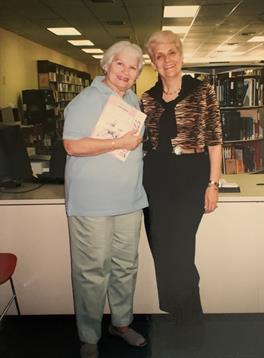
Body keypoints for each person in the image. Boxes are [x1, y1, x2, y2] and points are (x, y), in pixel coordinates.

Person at [63, 41, 148, 358]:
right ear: (107, 65)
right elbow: (72, 146)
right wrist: (119, 141)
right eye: (121, 64)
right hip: (93, 202)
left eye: (134, 67)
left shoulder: (132, 99)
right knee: (91, 271)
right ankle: (89, 335)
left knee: (126, 267)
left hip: (129, 201)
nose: (127, 72)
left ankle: (122, 323)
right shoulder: (86, 101)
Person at [141, 31, 223, 328]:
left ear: (181, 55)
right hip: (155, 178)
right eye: (159, 56)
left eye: (171, 52)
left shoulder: (202, 91)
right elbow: (141, 144)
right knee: (161, 248)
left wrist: (213, 184)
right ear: (153, 62)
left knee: (181, 249)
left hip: (191, 176)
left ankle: (190, 321)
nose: (167, 60)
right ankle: (177, 312)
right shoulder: (147, 99)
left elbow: (215, 139)